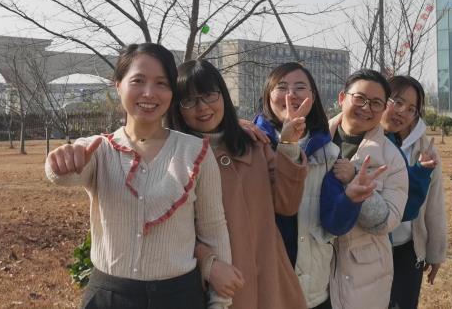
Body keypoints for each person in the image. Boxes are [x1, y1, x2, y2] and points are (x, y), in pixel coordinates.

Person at [45, 43, 232, 309]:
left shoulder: (195, 151)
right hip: (110, 297)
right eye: (138, 81)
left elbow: (214, 229)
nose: (149, 93)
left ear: (172, 92)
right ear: (118, 85)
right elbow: (64, 175)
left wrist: (220, 302)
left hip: (180, 296)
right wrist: (60, 162)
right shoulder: (98, 149)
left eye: (161, 83)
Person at [172, 59, 308, 309]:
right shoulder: (174, 157)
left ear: (223, 95)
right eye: (189, 100)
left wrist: (288, 144)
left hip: (271, 284)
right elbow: (170, 230)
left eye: (209, 95)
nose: (202, 107)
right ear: (177, 108)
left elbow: (286, 204)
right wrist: (208, 263)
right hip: (217, 288)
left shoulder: (254, 143)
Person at [253, 62, 377, 309]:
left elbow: (333, 224)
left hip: (310, 285)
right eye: (282, 87)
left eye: (300, 87)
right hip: (261, 281)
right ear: (267, 95)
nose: (291, 95)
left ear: (313, 97)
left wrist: (350, 201)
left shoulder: (327, 152)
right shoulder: (249, 145)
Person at [328, 69, 409, 309]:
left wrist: (355, 183)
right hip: (314, 269)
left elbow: (388, 221)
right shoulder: (314, 140)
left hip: (362, 276)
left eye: (376, 103)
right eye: (360, 98)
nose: (367, 108)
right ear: (342, 98)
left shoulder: (392, 158)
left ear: (384, 108)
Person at [381, 76, 447, 309]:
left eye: (411, 109)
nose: (402, 112)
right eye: (397, 102)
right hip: (369, 250)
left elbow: (434, 205)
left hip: (407, 249)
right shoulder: (363, 141)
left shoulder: (425, 149)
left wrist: (435, 253)